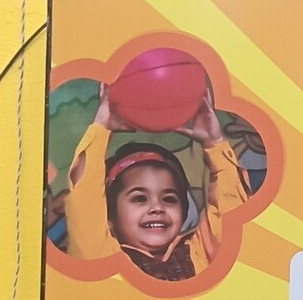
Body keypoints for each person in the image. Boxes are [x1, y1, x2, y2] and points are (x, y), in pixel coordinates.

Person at [62, 77, 246, 283]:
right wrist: (101, 128)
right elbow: (85, 205)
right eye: (139, 198)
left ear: (184, 211)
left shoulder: (198, 256)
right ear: (110, 217)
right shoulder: (102, 257)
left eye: (169, 199)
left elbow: (231, 217)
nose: (157, 208)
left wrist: (214, 143)